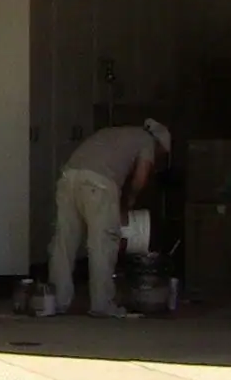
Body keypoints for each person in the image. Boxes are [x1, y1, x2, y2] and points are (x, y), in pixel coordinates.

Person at [49, 119, 171, 317]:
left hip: (68, 178)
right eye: (160, 155)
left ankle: (57, 302)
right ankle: (102, 304)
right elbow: (140, 178)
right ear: (159, 144)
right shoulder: (147, 140)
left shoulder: (115, 133)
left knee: (64, 243)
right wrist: (129, 202)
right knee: (102, 244)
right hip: (98, 185)